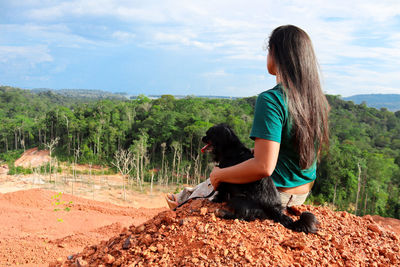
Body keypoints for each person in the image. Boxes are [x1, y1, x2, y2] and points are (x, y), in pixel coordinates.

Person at [166, 25, 329, 210]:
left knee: (201, 190)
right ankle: (191, 192)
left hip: (270, 195)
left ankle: (184, 199)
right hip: (300, 195)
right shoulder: (317, 101)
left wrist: (219, 175)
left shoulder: (271, 99)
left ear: (276, 54)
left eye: (269, 51)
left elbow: (264, 167)